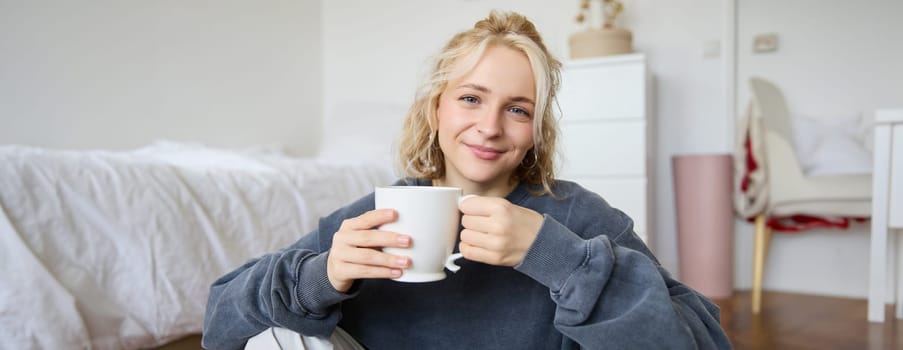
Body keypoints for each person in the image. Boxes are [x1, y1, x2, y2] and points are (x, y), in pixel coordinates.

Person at [202, 10, 731, 350]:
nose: (490, 127)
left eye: (518, 109)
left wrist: (556, 257)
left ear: (536, 131)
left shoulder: (579, 218)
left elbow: (702, 341)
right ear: (437, 109)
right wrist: (323, 276)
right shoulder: (376, 215)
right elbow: (220, 325)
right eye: (471, 98)